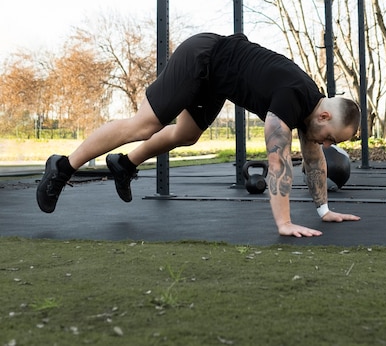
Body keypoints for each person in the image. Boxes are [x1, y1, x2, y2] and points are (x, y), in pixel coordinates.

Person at [36, 32, 361, 238]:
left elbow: (314, 159)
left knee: (187, 134)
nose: (329, 145)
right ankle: (62, 167)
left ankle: (125, 164)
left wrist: (323, 211)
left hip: (215, 80)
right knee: (145, 125)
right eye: (332, 137)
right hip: (201, 58)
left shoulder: (311, 111)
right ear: (324, 115)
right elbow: (279, 163)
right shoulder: (293, 98)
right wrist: (284, 223)